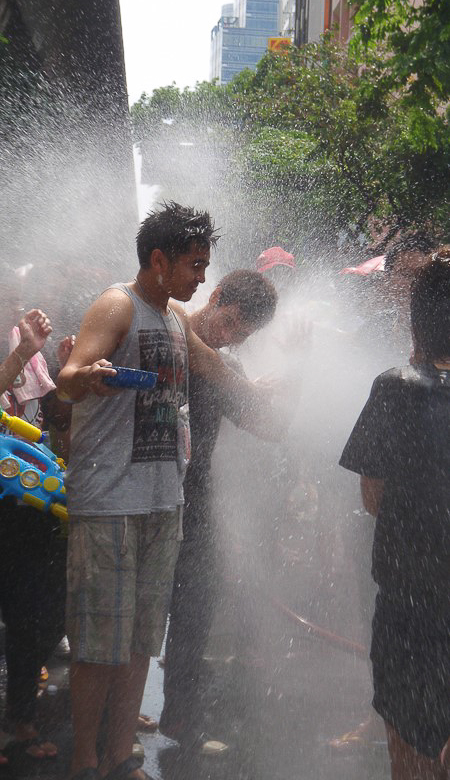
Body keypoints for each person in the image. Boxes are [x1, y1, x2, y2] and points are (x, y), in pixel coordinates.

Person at [57, 202, 277, 780]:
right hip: (111, 500)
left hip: (164, 500)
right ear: (159, 261)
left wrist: (269, 392)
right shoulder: (118, 305)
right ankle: (84, 762)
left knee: (139, 643)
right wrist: (88, 376)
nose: (201, 276)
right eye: (194, 264)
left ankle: (119, 755)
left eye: (205, 265)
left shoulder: (176, 321)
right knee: (99, 643)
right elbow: (67, 380)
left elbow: (218, 373)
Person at [339, 249, 450, 779]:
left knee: (407, 738)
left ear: (417, 318)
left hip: (411, 596)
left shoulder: (395, 387)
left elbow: (372, 497)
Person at [159, 269, 278, 751]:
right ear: (215, 296)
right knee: (136, 611)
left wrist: (295, 379)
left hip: (197, 496)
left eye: (243, 334)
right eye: (230, 323)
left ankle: (179, 718)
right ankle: (113, 725)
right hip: (147, 492)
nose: (231, 337)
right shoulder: (165, 328)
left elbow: (270, 428)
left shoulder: (227, 366)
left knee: (195, 609)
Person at [0, 301, 69, 766]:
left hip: (30, 501)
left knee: (38, 614)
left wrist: (68, 376)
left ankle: (20, 716)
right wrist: (21, 353)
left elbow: (52, 428)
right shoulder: (21, 346)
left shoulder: (27, 340)